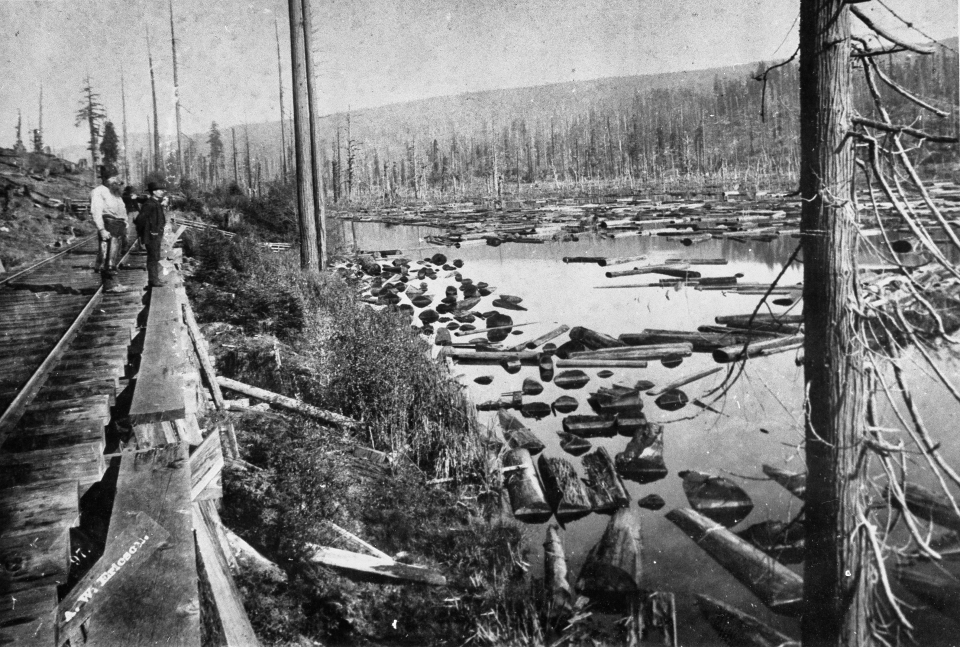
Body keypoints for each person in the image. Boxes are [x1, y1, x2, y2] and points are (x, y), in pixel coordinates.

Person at [90, 165, 133, 292]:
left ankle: (113, 283)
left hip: (119, 226)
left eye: (115, 177)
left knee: (113, 255)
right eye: (111, 178)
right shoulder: (98, 192)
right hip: (108, 224)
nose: (114, 180)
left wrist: (125, 222)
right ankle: (110, 285)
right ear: (103, 178)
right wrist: (101, 229)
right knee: (106, 255)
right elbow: (96, 212)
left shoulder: (115, 192)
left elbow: (122, 209)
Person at [136, 180, 167, 287]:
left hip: (156, 234)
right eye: (159, 190)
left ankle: (154, 279)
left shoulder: (155, 203)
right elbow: (140, 220)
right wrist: (146, 233)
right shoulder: (149, 204)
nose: (162, 192)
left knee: (155, 256)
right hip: (152, 235)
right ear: (153, 192)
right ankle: (153, 280)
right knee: (153, 257)